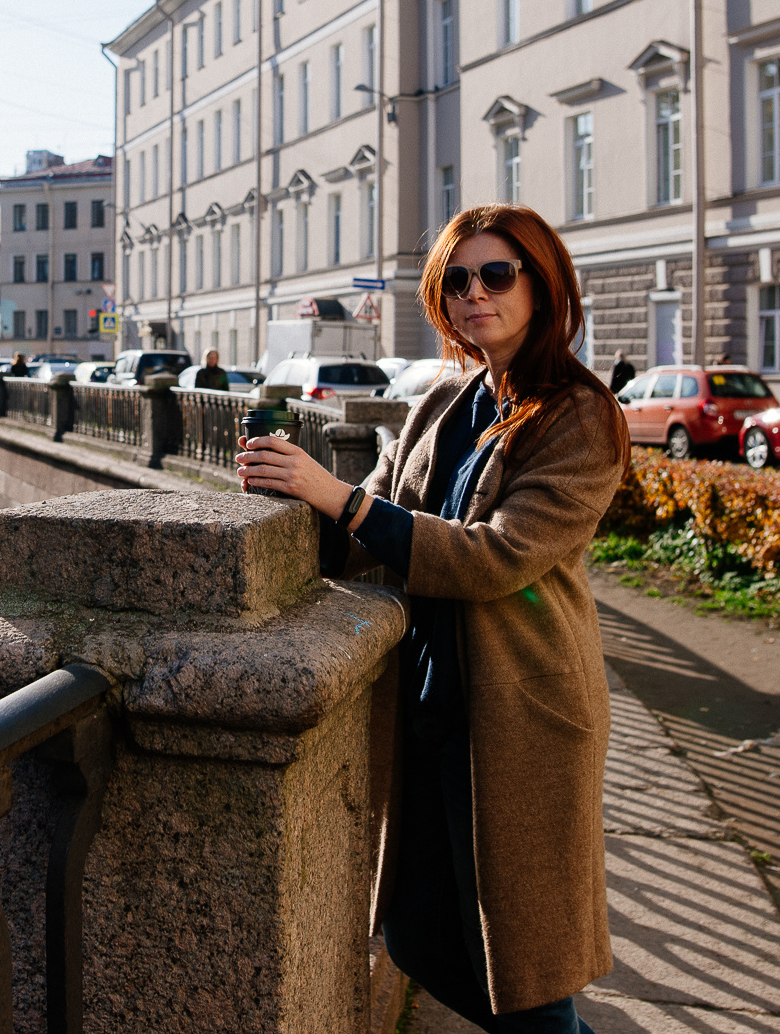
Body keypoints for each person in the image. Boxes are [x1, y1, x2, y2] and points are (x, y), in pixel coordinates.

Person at [236, 203, 628, 1034]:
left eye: (495, 273)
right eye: (455, 279)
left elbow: (497, 557)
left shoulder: (581, 416)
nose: (473, 292)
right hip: (428, 712)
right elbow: (373, 529)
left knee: (525, 980)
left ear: (543, 283)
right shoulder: (444, 400)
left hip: (519, 718)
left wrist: (334, 495)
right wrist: (289, 506)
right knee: (423, 940)